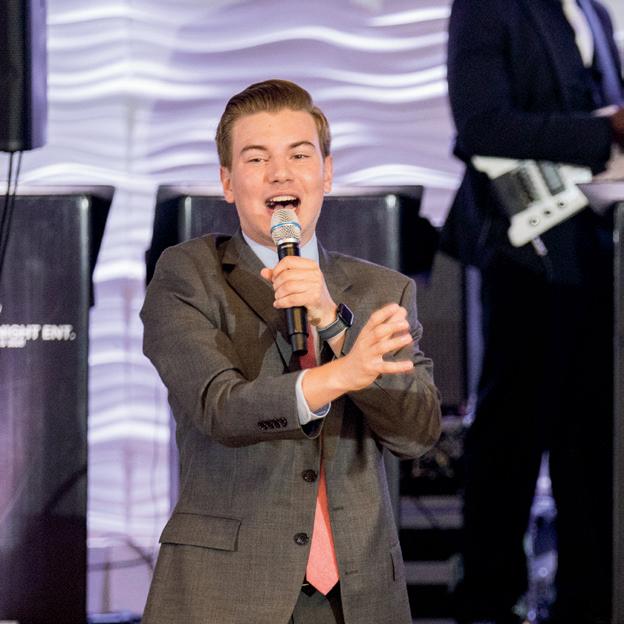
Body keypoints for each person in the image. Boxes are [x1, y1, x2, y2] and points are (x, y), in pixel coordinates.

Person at [140, 79, 441, 624]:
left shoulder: (382, 291)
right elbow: (221, 407)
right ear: (228, 182)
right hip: (227, 593)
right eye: (257, 159)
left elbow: (416, 431)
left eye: (299, 155)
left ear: (326, 173)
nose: (280, 173)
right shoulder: (188, 275)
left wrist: (333, 322)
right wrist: (341, 374)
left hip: (359, 597)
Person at [441, 1, 624, 623]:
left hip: (598, 252)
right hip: (524, 251)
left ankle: (591, 599)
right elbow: (481, 125)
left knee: (592, 437)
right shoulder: (488, 6)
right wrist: (605, 131)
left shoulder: (593, 10)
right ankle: (489, 599)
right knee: (511, 432)